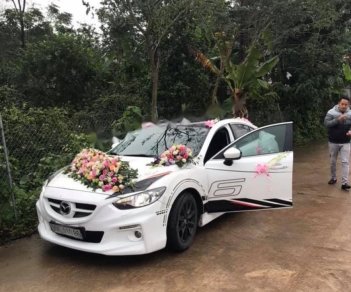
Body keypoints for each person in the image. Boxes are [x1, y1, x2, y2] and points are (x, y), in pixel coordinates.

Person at [324, 95, 351, 191]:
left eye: (346, 104)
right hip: (333, 142)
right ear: (339, 103)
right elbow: (326, 124)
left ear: (348, 105)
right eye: (342, 104)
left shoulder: (350, 114)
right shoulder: (331, 112)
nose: (344, 106)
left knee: (345, 162)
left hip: (346, 142)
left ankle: (344, 183)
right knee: (333, 162)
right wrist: (337, 120)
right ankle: (333, 178)